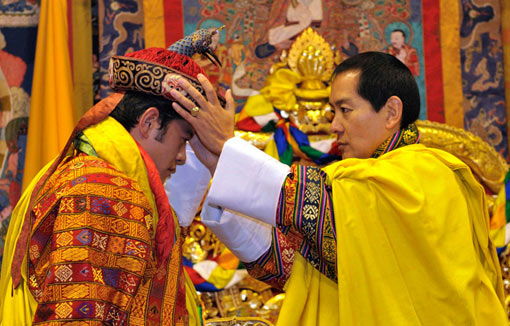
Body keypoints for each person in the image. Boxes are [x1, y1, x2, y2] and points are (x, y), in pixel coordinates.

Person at [167, 51, 508, 325]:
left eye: (345, 110)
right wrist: (217, 162)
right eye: (334, 111)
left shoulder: (427, 174)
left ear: (391, 112)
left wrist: (228, 147)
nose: (334, 125)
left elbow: (320, 206)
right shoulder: (362, 182)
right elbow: (300, 264)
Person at [0, 30, 234, 325]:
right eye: (183, 139)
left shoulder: (86, 171)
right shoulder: (105, 191)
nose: (183, 157)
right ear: (149, 122)